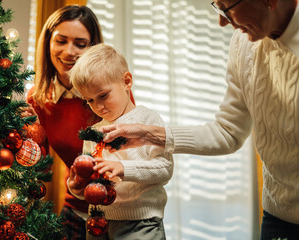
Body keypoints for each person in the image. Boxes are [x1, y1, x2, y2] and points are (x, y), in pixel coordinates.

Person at [99, 0, 299, 239]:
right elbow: (228, 132)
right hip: (278, 213)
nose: (222, 21)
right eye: (217, 5)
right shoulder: (243, 43)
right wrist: (150, 134)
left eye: (227, 6)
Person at [68, 43, 173, 240]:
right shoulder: (93, 132)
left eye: (103, 95)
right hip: (98, 222)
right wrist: (78, 186)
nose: (97, 106)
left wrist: (123, 168)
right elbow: (91, 183)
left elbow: (164, 169)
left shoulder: (148, 121)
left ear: (126, 81)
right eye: (89, 100)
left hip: (141, 223)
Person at [25, 5, 103, 240]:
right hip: (76, 210)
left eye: (80, 44)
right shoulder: (37, 99)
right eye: (61, 41)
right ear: (48, 42)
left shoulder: (108, 90)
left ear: (93, 48)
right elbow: (39, 168)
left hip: (121, 212)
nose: (69, 52)